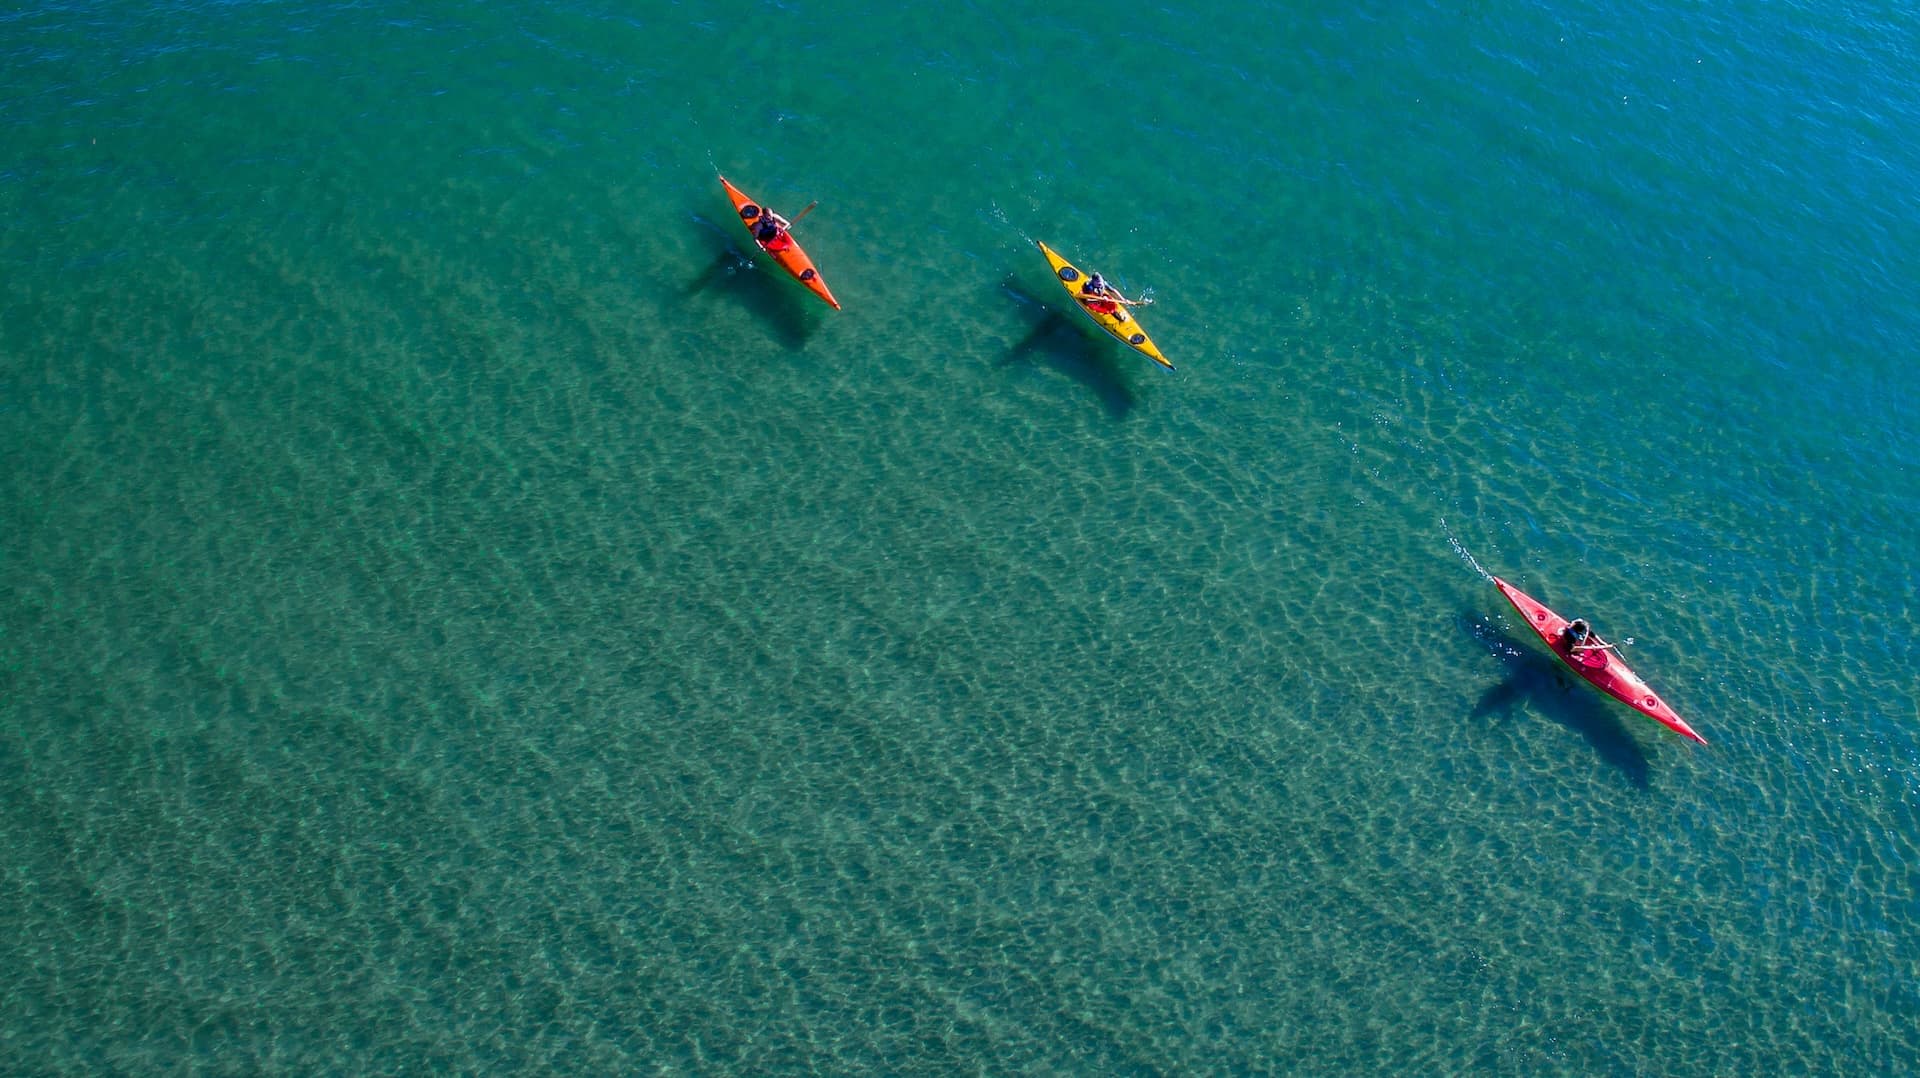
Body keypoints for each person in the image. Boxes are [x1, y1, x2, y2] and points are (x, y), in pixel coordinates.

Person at [1078, 272, 1150, 319]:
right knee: (1104, 307)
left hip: (1100, 298)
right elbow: (1087, 300)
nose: (1100, 284)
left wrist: (1123, 299)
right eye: (1098, 282)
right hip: (1091, 302)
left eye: (1101, 282)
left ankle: (1115, 313)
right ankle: (1109, 313)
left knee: (1113, 306)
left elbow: (1113, 290)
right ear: (1093, 281)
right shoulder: (1089, 287)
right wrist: (1100, 299)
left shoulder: (1103, 283)